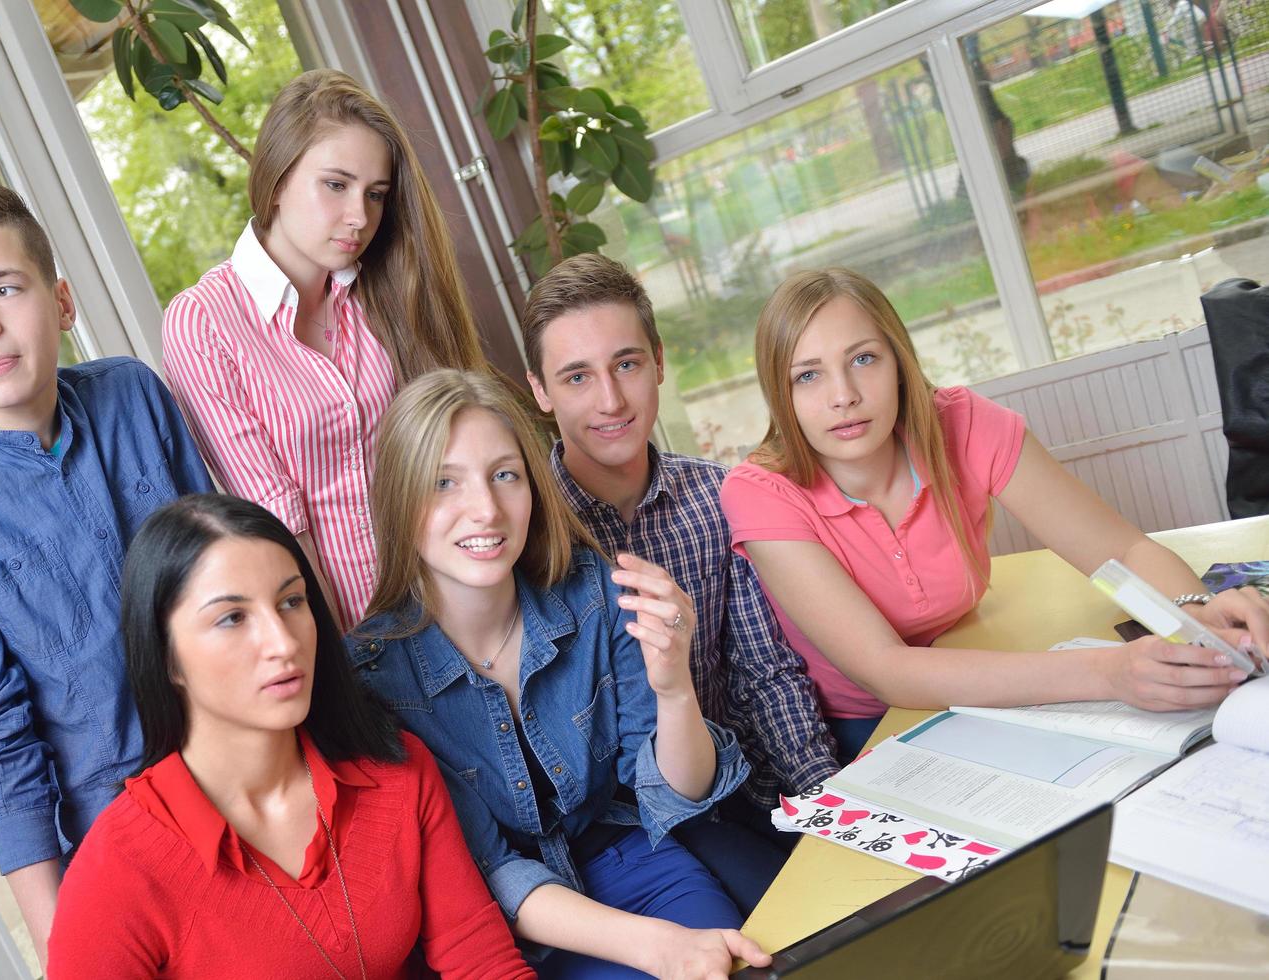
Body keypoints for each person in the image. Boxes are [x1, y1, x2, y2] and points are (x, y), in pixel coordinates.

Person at [0, 183, 216, 962]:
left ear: (61, 302)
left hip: (254, 770)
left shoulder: (132, 396)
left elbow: (230, 584)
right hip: (124, 845)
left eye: (5, 288)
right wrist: (65, 948)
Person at [720, 267, 1269, 763]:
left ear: (899, 364)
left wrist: (1197, 615)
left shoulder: (963, 424)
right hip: (865, 724)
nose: (844, 396)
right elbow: (887, 671)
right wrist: (1109, 673)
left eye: (864, 359)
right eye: (808, 376)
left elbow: (1123, 551)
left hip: (975, 670)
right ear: (780, 394)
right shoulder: (761, 493)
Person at [352, 370, 773, 979]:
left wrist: (674, 688)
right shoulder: (371, 677)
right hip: (515, 931)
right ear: (399, 499)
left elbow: (669, 795)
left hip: (635, 861)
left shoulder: (595, 593)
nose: (486, 510)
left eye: (505, 475)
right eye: (445, 482)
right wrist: (656, 946)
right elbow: (487, 870)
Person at [46, 494, 532, 978]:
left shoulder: (395, 767)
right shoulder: (117, 870)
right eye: (232, 617)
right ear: (166, 655)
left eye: (291, 601)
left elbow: (480, 957)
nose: (283, 642)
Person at [518, 253, 836, 912]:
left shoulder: (716, 498)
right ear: (540, 391)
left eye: (626, 365)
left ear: (659, 362)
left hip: (737, 784)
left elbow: (763, 673)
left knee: (846, 898)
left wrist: (824, 803)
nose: (610, 400)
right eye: (576, 377)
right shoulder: (526, 536)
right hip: (627, 829)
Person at [163, 69, 489, 628]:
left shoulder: (385, 290)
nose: (360, 216)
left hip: (460, 601)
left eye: (376, 194)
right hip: (355, 632)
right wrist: (348, 662)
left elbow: (457, 455)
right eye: (335, 185)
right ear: (276, 180)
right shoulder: (204, 321)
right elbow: (278, 522)